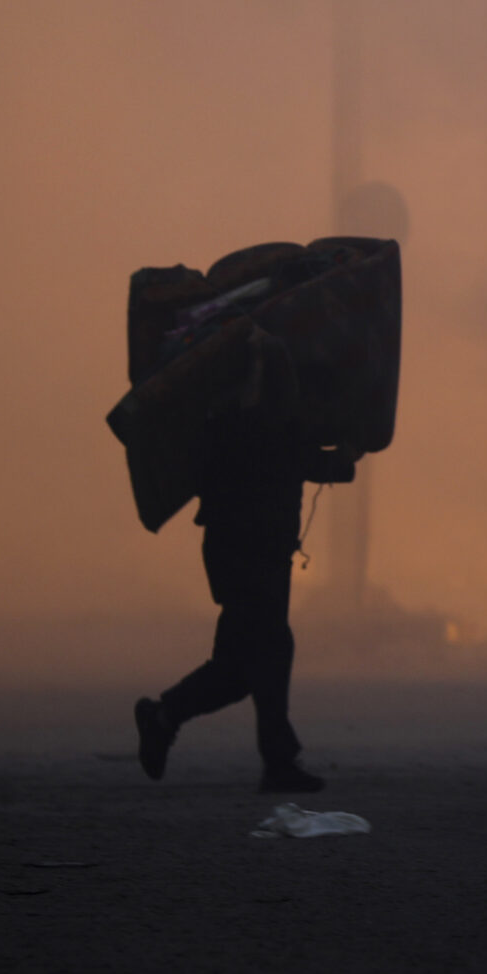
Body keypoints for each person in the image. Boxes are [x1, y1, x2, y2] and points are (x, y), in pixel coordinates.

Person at [134, 326, 360, 792]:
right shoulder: (262, 427)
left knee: (241, 667)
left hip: (242, 554)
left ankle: (165, 717)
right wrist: (348, 452)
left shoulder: (228, 422)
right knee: (269, 650)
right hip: (253, 556)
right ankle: (275, 760)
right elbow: (314, 463)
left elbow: (304, 460)